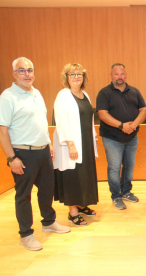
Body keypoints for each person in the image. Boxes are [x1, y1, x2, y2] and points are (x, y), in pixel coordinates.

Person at [0, 57, 70, 251]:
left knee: (47, 189)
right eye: (22, 71)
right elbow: (2, 130)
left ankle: (48, 222)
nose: (26, 74)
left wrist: (48, 143)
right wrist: (12, 158)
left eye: (29, 70)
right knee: (23, 195)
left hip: (43, 151)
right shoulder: (7, 97)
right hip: (22, 153)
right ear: (14, 74)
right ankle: (26, 235)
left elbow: (40, 122)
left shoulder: (36, 93)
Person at [96, 63, 146, 210]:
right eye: (116, 74)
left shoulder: (134, 91)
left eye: (122, 74)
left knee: (129, 166)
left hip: (132, 137)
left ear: (126, 75)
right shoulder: (104, 93)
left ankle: (126, 192)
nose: (119, 77)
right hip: (112, 138)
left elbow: (143, 110)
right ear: (111, 75)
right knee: (114, 168)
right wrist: (121, 125)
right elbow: (102, 114)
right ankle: (116, 196)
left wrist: (133, 125)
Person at [53, 63, 99, 226]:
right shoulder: (63, 95)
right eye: (72, 74)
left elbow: (89, 119)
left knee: (84, 175)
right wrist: (70, 144)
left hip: (85, 142)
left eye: (79, 74)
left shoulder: (85, 95)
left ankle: (81, 204)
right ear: (66, 78)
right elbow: (61, 121)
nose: (76, 77)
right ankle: (72, 212)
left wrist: (93, 137)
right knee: (72, 176)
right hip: (70, 144)